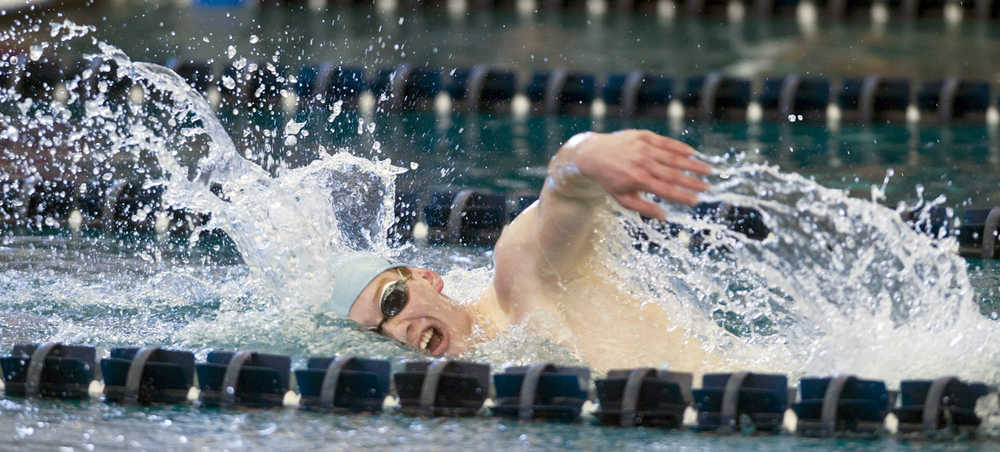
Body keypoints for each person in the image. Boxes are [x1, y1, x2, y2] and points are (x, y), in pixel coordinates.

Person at [325, 130, 723, 372]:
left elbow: (563, 194)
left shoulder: (517, 284)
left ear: (427, 277)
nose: (396, 331)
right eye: (376, 334)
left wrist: (585, 155)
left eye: (392, 302)